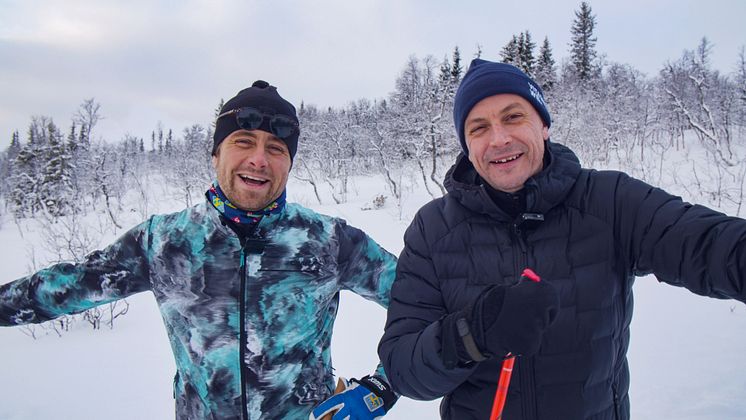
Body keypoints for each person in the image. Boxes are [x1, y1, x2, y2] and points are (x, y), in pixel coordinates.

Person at [0, 80, 398, 420]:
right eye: (243, 142)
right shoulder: (164, 242)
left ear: (289, 163)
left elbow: (420, 302)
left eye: (276, 148)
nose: (259, 159)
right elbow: (65, 287)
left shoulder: (329, 240)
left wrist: (381, 387)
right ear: (215, 154)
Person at [378, 59, 746, 420]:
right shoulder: (433, 229)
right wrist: (472, 334)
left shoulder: (609, 201)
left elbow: (706, 245)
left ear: (543, 125)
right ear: (466, 145)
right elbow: (402, 367)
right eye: (478, 128)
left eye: (513, 117)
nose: (499, 139)